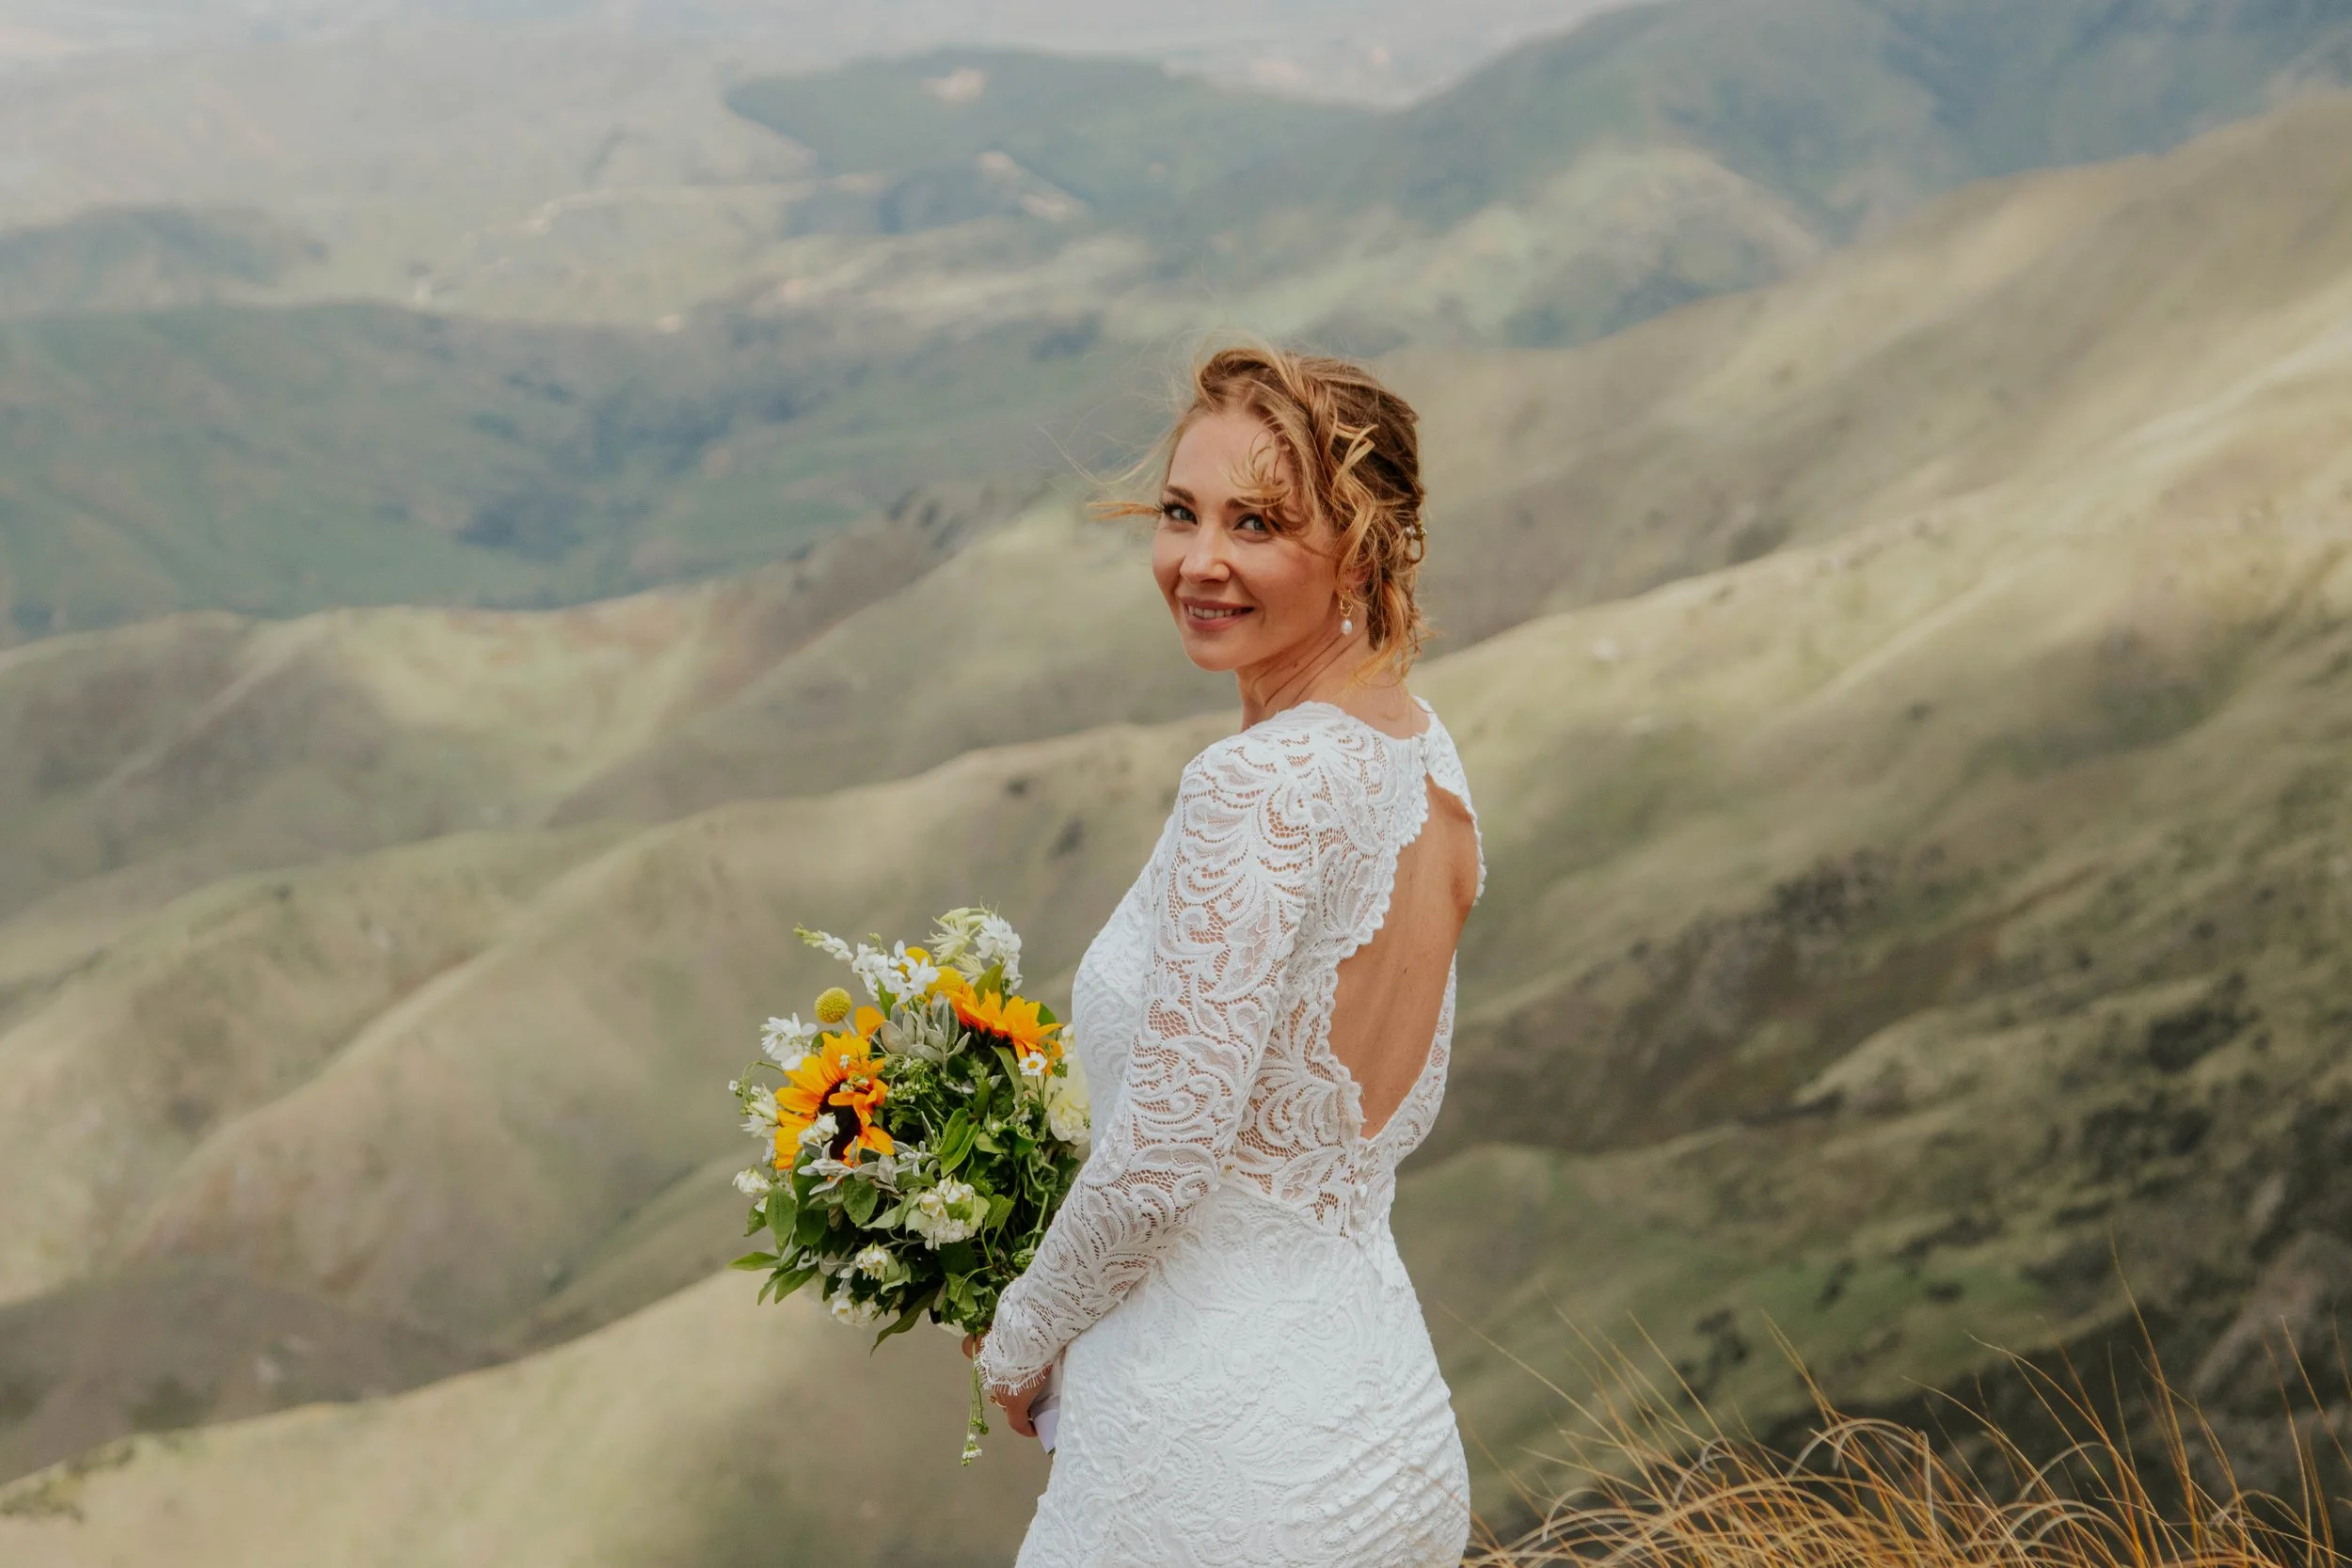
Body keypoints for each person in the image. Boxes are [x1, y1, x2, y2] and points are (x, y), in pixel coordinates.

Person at [967, 343, 1486, 1565]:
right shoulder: (1427, 757)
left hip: (1220, 1466)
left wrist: (1020, 1336)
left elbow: (1164, 1157)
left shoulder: (1255, 787)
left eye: (1256, 523)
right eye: (1182, 513)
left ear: (1362, 547)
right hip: (1389, 1434)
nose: (1200, 560)